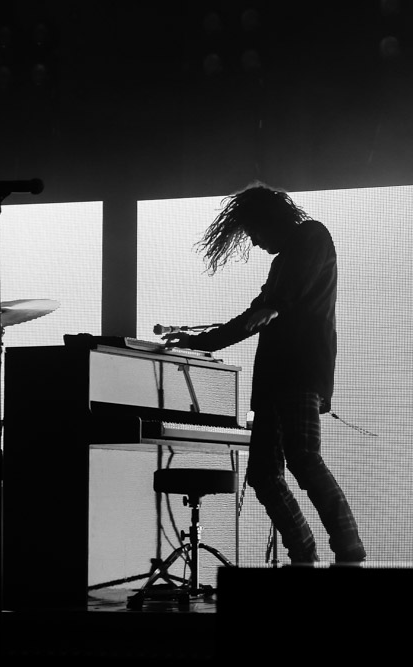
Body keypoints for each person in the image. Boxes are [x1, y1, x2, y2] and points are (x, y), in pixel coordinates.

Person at [163, 183, 366, 564]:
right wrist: (195, 341)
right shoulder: (285, 258)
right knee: (263, 473)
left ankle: (349, 549)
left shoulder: (312, 236)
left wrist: (268, 309)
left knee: (303, 457)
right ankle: (304, 554)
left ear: (269, 220)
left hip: (300, 371)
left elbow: (274, 304)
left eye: (254, 232)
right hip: (276, 377)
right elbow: (258, 312)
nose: (254, 242)